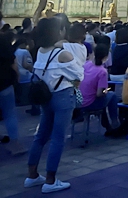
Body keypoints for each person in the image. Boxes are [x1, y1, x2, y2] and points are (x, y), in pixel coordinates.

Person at [26, 18, 84, 193]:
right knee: (58, 138)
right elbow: (79, 75)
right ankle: (50, 181)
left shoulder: (40, 51)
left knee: (41, 136)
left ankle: (32, 175)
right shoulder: (63, 54)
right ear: (57, 32)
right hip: (63, 97)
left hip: (46, 97)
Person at [79, 44, 120, 132]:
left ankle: (107, 124)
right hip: (91, 102)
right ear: (106, 57)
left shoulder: (86, 65)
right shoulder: (102, 71)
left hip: (79, 101)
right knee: (112, 95)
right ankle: (115, 122)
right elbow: (99, 93)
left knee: (106, 97)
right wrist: (106, 91)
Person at [0, 33, 26, 156]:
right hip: (5, 82)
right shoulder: (2, 40)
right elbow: (13, 62)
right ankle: (15, 144)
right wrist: (17, 78)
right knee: (9, 112)